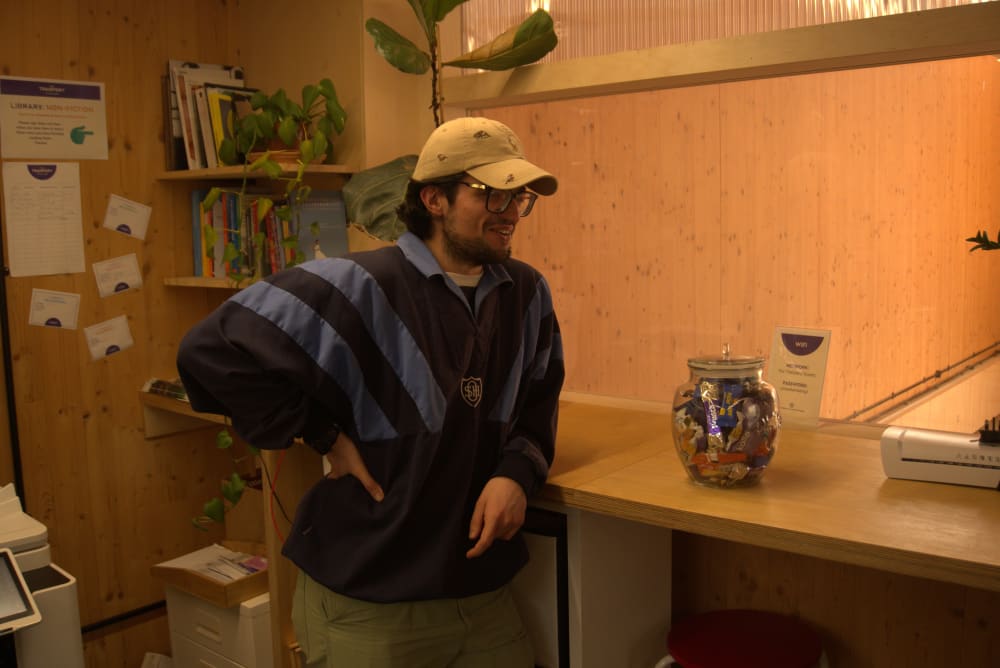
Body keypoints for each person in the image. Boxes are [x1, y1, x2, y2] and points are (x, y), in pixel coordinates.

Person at [175, 116, 564, 667]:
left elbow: (539, 403)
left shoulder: (526, 293)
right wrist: (322, 431)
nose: (509, 214)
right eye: (490, 195)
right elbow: (209, 352)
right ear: (434, 198)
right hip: (368, 603)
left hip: (481, 596)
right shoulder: (355, 285)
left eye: (517, 197)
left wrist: (514, 475)